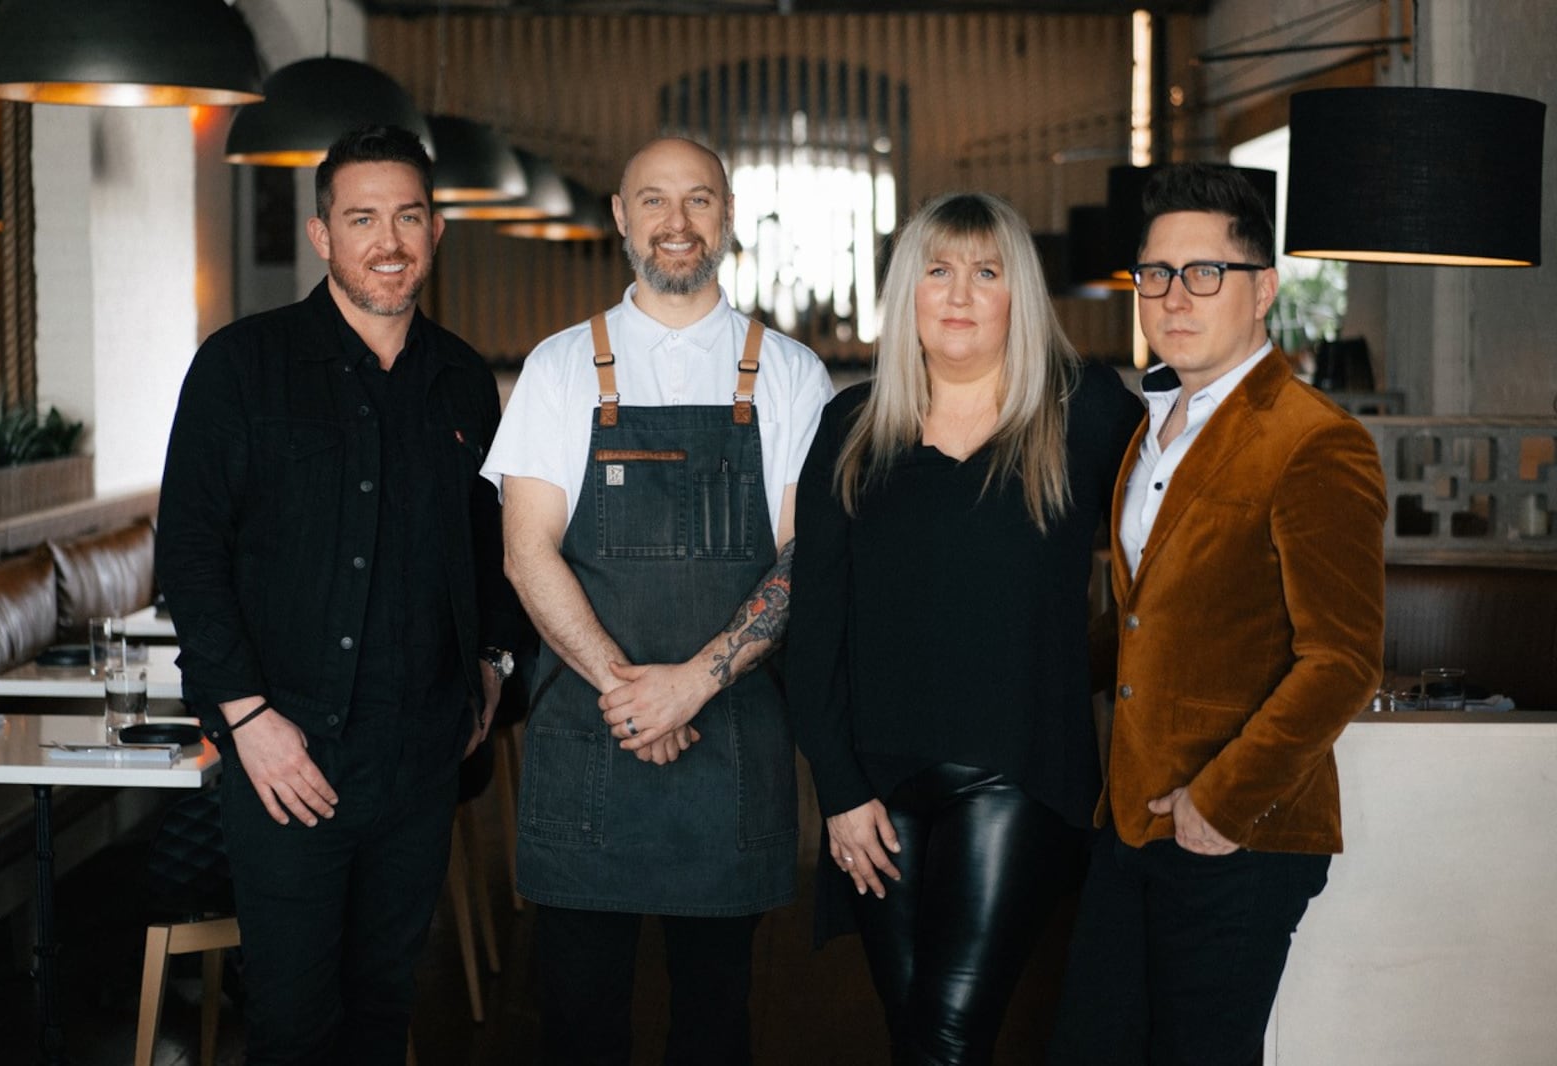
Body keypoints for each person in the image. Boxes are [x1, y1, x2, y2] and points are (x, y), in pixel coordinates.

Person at [156, 125, 523, 1065]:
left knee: (383, 1012)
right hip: (287, 761)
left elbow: (495, 555)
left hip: (417, 763)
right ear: (323, 235)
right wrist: (246, 719)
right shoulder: (240, 367)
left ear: (436, 231)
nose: (387, 241)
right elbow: (190, 557)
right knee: (292, 1023)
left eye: (407, 216)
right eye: (362, 218)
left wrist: (490, 667)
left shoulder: (462, 383)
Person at [483, 136, 834, 1065]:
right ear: (619, 217)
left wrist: (693, 686)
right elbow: (526, 554)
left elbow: (808, 558)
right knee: (579, 1027)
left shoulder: (793, 374)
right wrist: (632, 690)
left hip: (730, 752)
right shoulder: (559, 369)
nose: (676, 223)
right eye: (653, 201)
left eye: (698, 201)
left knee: (716, 1027)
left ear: (727, 214)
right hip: (586, 745)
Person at [786, 191, 1145, 1065]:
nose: (959, 293)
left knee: (947, 1033)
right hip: (875, 787)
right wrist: (837, 789)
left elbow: (1184, 533)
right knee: (913, 1024)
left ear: (1018, 293)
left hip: (1015, 772)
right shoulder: (851, 428)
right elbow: (814, 626)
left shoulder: (1086, 412)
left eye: (986, 273)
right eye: (938, 271)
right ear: (907, 290)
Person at [1047, 163, 1388, 1066]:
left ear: (1263, 287)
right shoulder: (1149, 425)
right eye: (1155, 274)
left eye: (1206, 273)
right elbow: (1143, 623)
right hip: (1130, 820)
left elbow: (1344, 660)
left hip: (1237, 832)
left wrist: (1221, 803)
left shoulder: (1315, 440)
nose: (1173, 297)